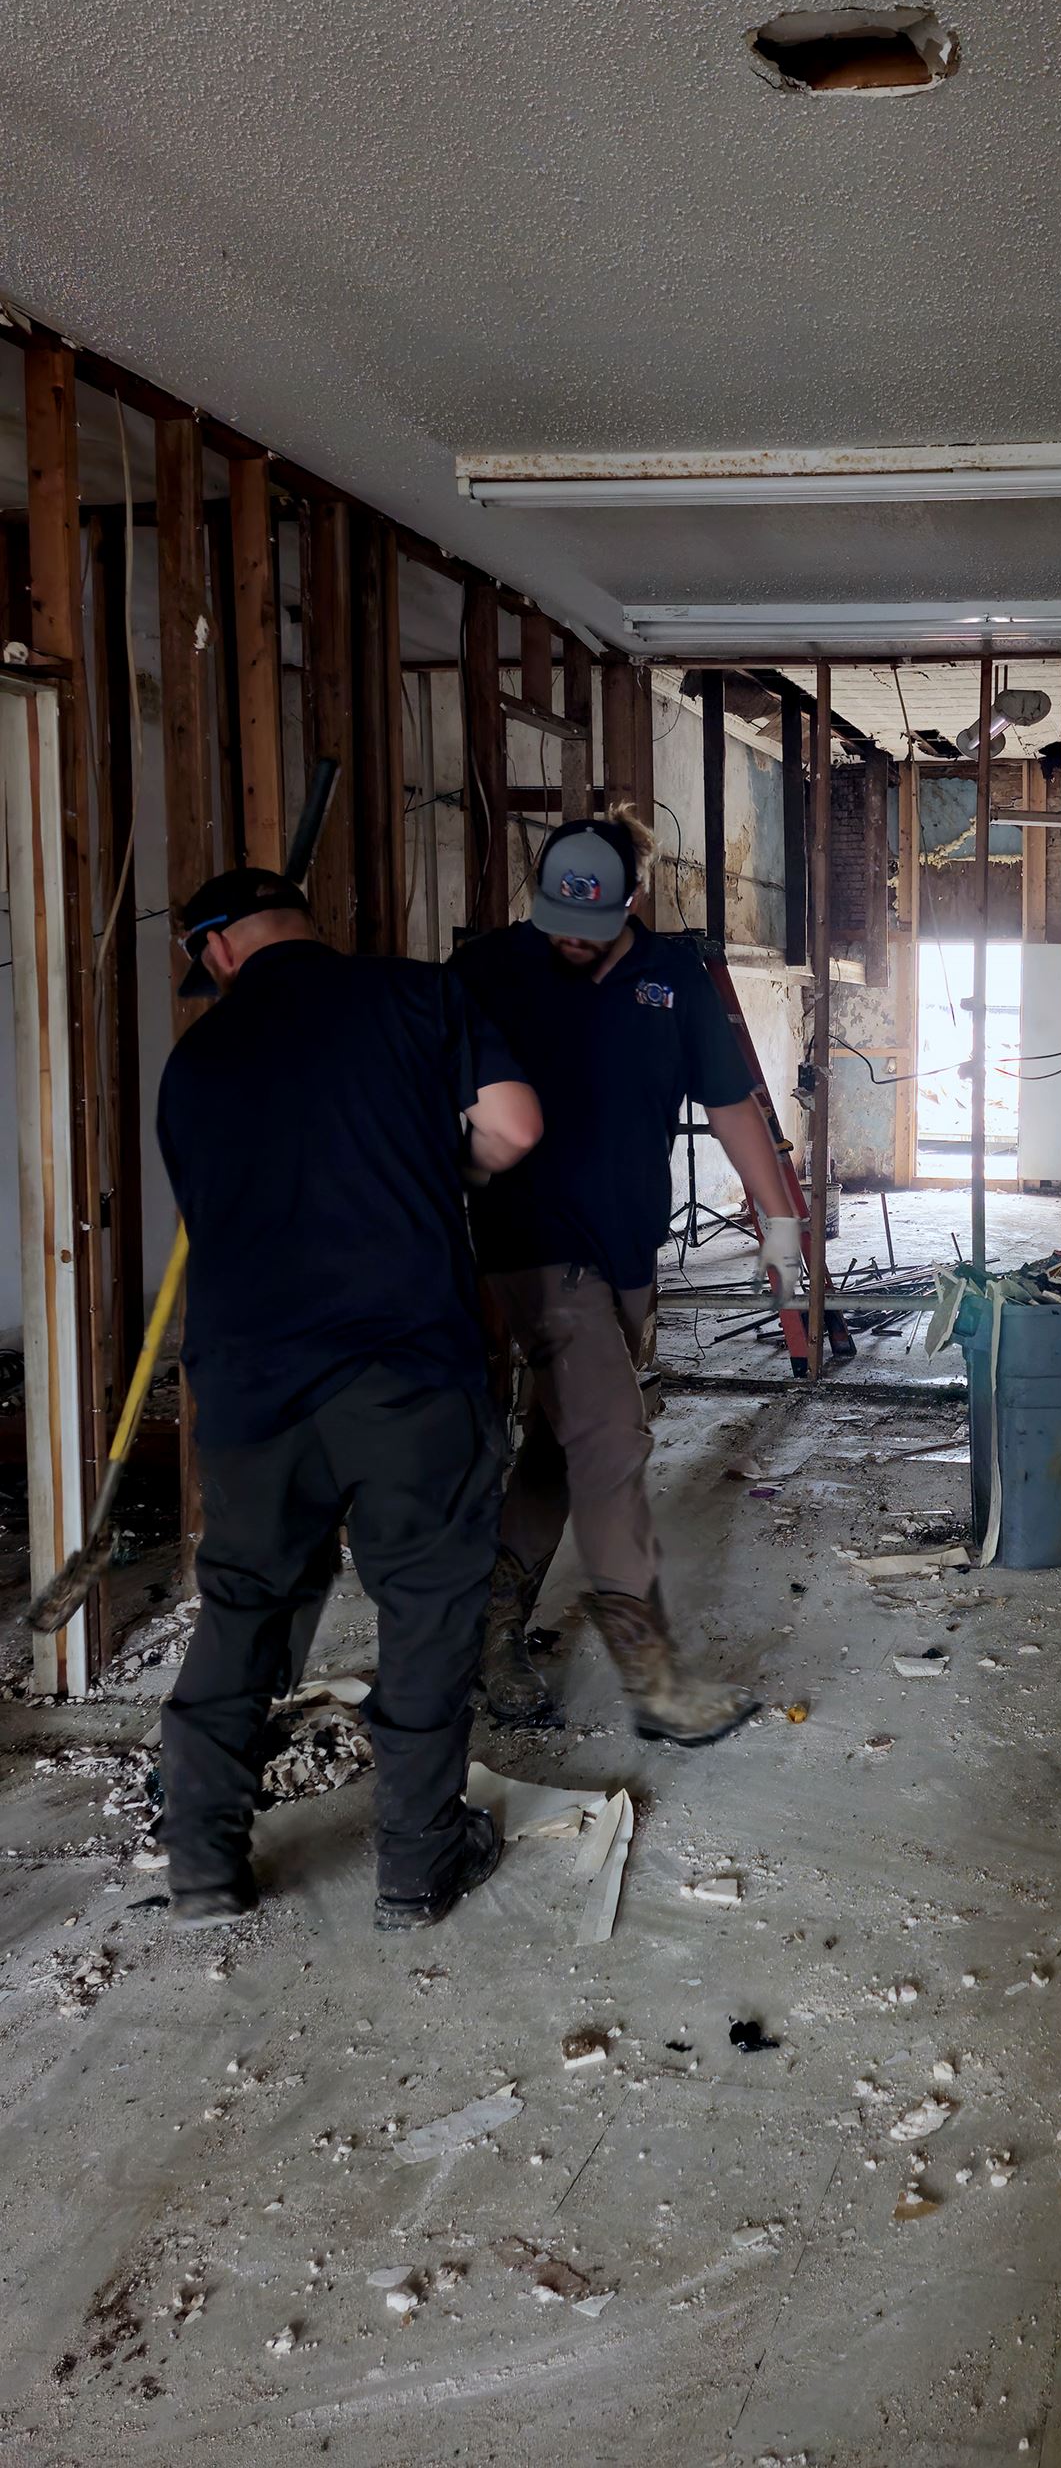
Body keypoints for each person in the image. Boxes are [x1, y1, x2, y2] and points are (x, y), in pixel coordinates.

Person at [155, 868, 542, 1933]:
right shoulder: (416, 996)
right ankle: (415, 1868)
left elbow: (212, 1206)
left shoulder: (195, 1061)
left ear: (219, 950)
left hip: (248, 1384)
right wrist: (431, 1165)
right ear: (305, 924)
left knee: (247, 1598)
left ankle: (203, 1861)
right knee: (424, 1599)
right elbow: (515, 1126)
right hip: (404, 1369)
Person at [451, 813, 807, 1744]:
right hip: (531, 1248)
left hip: (627, 1252)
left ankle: (486, 1627)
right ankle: (655, 1685)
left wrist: (778, 1222)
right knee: (610, 1442)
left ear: (631, 900)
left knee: (559, 1448)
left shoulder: (673, 977)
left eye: (593, 920)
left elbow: (731, 1106)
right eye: (555, 914)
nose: (569, 936)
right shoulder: (484, 971)